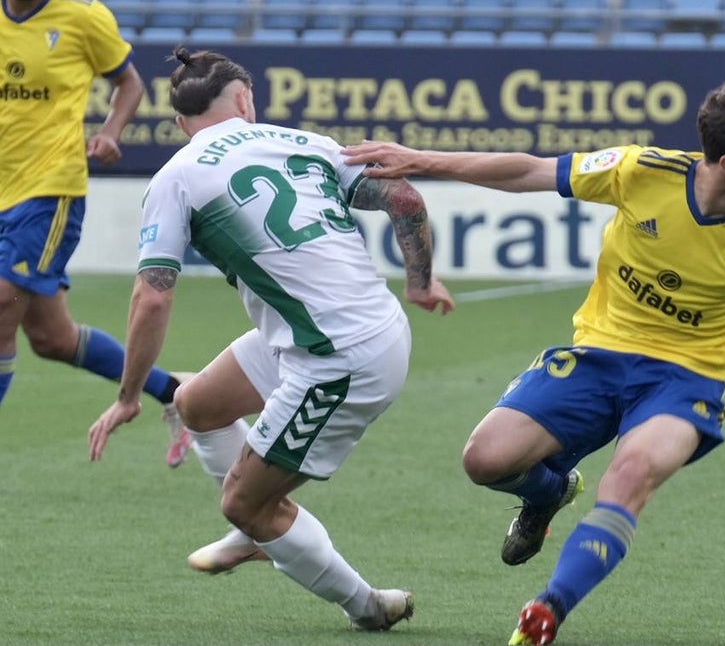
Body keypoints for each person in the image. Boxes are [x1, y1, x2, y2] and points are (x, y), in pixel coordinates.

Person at [343, 80, 725, 646]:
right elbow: (528, 171)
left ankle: (549, 610)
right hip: (598, 357)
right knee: (484, 460)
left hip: (685, 383)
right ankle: (547, 494)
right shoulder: (641, 171)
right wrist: (419, 160)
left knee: (627, 478)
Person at [87, 47, 454, 631]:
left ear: (181, 122)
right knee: (196, 405)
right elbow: (404, 197)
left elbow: (153, 296)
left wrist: (130, 394)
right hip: (341, 330)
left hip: (339, 360)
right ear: (245, 100)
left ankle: (365, 604)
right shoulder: (305, 142)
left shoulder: (177, 175)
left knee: (242, 500)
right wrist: (419, 280)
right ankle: (257, 526)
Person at [0, 0, 192, 467]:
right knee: (53, 339)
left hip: (48, 192)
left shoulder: (82, 18)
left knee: (0, 306)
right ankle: (175, 394)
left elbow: (129, 81)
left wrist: (110, 131)